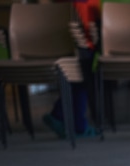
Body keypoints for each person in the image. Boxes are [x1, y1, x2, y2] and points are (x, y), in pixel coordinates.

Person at [43, 0, 100, 138]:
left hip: (62, 35)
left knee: (76, 78)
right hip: (83, 34)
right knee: (82, 78)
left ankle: (62, 115)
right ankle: (76, 124)